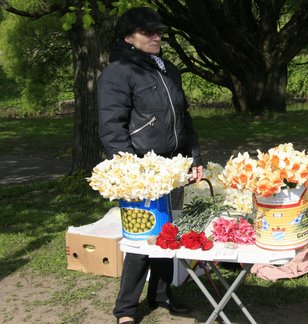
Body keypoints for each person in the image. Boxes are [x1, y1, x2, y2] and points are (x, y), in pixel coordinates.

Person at [97, 7, 203, 324]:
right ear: (128, 37)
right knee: (142, 239)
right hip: (140, 171)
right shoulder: (117, 72)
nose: (157, 37)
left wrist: (194, 157)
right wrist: (131, 172)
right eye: (148, 32)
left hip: (171, 167)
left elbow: (183, 118)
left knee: (167, 234)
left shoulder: (168, 68)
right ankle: (126, 309)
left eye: (158, 31)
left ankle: (160, 293)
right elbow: (112, 128)